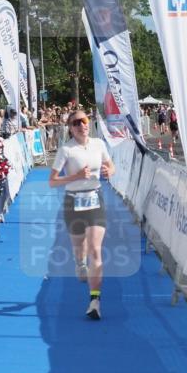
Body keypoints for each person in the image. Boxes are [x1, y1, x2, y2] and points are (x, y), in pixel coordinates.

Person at [49, 110, 116, 321]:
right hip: (73, 201)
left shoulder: (98, 144)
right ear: (70, 127)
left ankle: (94, 300)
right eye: (76, 122)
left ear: (89, 123)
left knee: (95, 249)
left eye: (84, 121)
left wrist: (109, 172)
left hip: (95, 199)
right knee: (80, 248)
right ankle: (79, 263)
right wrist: (76, 176)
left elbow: (110, 165)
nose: (81, 125)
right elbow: (52, 181)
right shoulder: (66, 150)